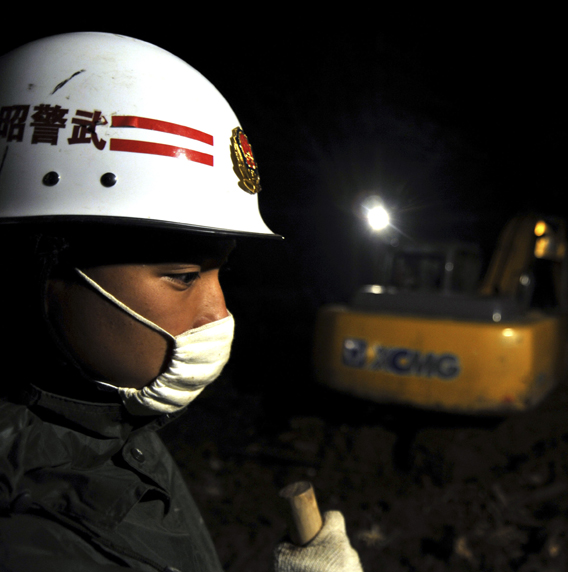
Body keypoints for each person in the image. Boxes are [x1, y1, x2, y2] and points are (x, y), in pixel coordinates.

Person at [0, 32, 362, 571]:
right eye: (183, 276)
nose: (219, 312)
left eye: (221, 272)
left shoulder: (103, 422)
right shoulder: (32, 541)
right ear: (41, 264)